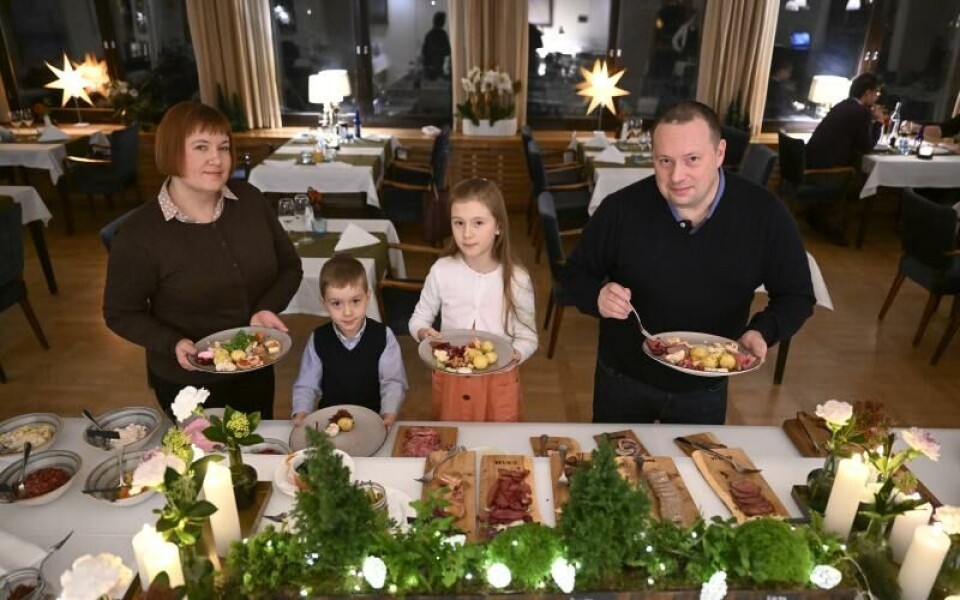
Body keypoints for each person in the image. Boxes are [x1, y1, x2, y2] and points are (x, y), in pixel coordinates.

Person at [561, 101, 815, 425]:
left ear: (720, 153)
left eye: (692, 159)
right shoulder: (621, 209)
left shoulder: (765, 214)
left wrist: (762, 331)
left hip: (704, 388)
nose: (676, 176)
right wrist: (597, 296)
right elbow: (572, 275)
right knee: (615, 475)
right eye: (664, 161)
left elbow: (797, 295)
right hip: (622, 379)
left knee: (694, 473)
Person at [103, 101, 302, 419]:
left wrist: (266, 308)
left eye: (223, 147)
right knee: (210, 465)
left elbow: (290, 267)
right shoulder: (140, 235)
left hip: (254, 363)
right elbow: (120, 313)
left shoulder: (250, 199)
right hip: (188, 381)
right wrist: (171, 342)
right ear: (171, 152)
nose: (217, 159)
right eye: (201, 147)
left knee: (256, 454)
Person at [409, 178, 537, 421]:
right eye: (459, 223)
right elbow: (419, 318)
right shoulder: (442, 270)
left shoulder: (517, 279)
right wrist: (424, 332)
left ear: (498, 226)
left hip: (500, 381)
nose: (467, 233)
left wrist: (515, 354)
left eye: (478, 222)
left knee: (499, 446)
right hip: (451, 379)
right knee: (452, 440)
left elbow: (528, 336)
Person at [291, 253, 407, 429]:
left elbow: (392, 382)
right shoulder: (318, 338)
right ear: (324, 304)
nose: (347, 312)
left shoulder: (384, 336)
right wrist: (301, 413)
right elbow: (306, 385)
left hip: (373, 422)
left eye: (355, 301)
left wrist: (388, 414)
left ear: (368, 297)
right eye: (336, 304)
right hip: (330, 424)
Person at [804, 73, 885, 245]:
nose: (877, 96)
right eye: (876, 92)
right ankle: (834, 225)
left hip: (811, 163)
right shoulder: (861, 112)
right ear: (867, 92)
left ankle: (818, 214)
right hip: (824, 173)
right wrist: (878, 122)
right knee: (860, 182)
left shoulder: (843, 105)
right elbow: (866, 146)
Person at [421, 11, 450, 81]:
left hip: (429, 68)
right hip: (440, 68)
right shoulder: (442, 34)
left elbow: (423, 52)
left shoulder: (429, 34)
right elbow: (447, 52)